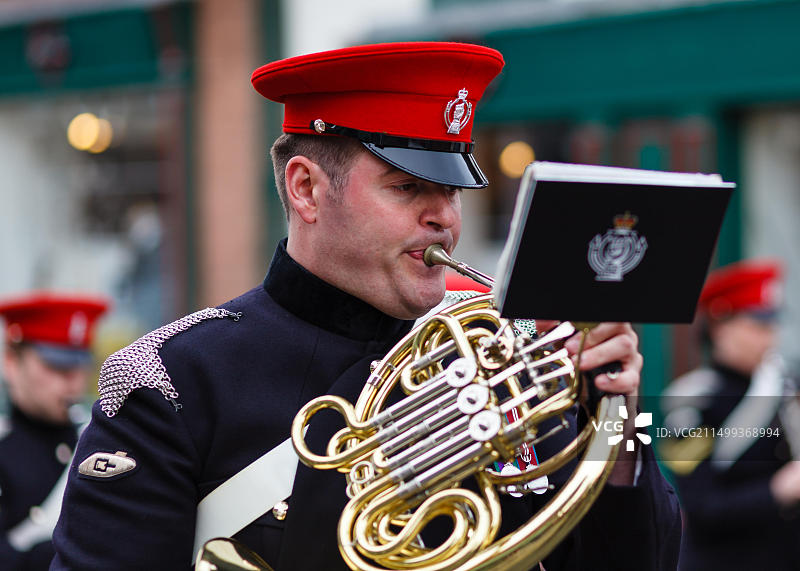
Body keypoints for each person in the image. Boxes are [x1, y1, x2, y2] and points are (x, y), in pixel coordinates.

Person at [51, 42, 680, 570]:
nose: (444, 218)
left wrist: (615, 427)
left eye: (453, 190)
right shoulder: (175, 379)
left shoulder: (513, 352)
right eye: (408, 187)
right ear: (307, 190)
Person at [662, 259, 800, 570]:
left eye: (773, 325)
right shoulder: (693, 403)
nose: (770, 338)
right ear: (721, 327)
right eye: (758, 326)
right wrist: (778, 490)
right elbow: (702, 507)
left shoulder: (784, 387)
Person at [0, 292, 108, 570]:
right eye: (56, 366)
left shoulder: (98, 438)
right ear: (11, 362)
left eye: (79, 365)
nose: (73, 382)